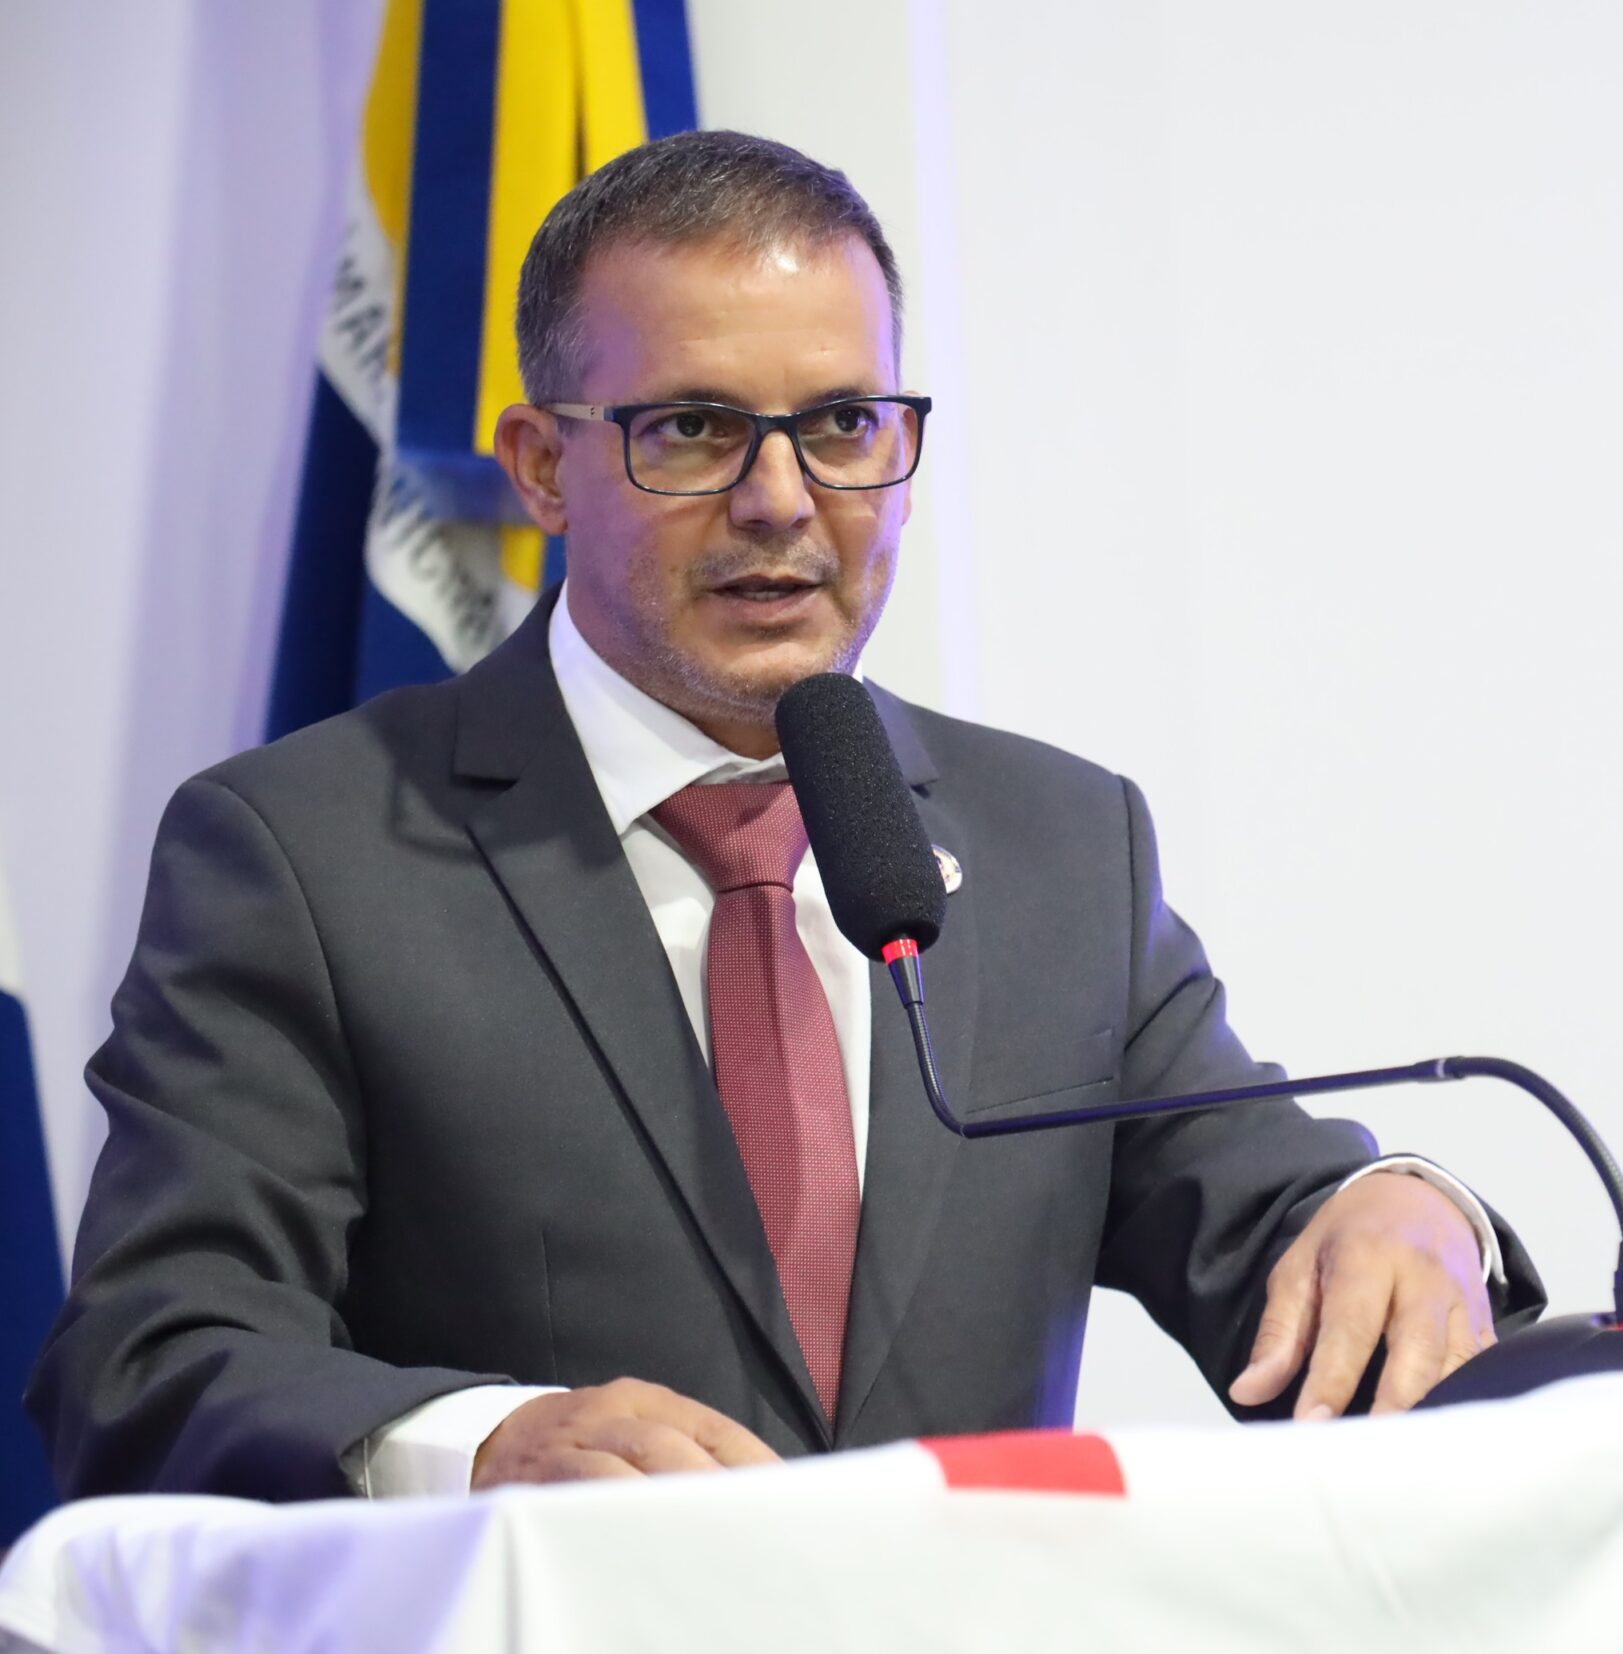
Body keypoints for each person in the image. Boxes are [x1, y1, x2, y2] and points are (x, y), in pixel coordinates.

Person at [29, 131, 1542, 1502]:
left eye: (842, 422)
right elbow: (151, 1360)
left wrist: (1398, 1207)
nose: (779, 498)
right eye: (695, 428)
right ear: (544, 467)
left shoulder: (1059, 845)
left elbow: (1268, 1216)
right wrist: (480, 1445)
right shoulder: (307, 856)